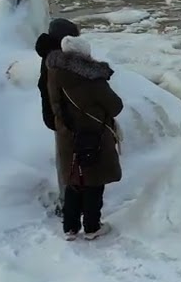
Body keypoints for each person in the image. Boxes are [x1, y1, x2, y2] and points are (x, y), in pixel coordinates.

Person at [45, 32, 124, 241]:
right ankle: (92, 227)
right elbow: (115, 106)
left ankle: (70, 228)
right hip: (93, 135)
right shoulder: (90, 78)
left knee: (74, 180)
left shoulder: (54, 72)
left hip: (67, 135)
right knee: (93, 182)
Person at [35, 18, 82, 213]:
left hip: (58, 118)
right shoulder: (56, 59)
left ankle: (70, 202)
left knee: (66, 161)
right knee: (68, 162)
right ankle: (68, 205)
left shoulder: (48, 55)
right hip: (65, 118)